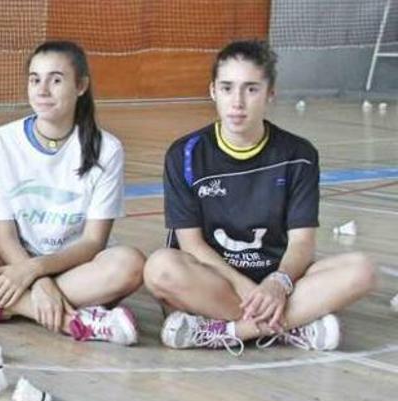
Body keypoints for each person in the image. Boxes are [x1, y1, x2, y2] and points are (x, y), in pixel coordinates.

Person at [144, 40, 376, 353]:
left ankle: (228, 330)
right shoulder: (185, 154)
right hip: (214, 279)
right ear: (213, 91)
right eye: (227, 88)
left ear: (270, 94)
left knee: (361, 270)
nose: (237, 102)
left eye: (251, 89)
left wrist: (277, 284)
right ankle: (286, 327)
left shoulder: (299, 154)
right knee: (160, 268)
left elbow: (302, 242)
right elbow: (191, 245)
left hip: (277, 277)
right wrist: (250, 289)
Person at [0, 41, 142, 345]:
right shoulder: (1, 142)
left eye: (56, 80)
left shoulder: (107, 149)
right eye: (34, 79)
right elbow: (4, 237)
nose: (42, 90)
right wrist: (37, 282)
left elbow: (94, 242)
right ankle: (72, 321)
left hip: (73, 267)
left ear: (81, 86)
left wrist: (35, 273)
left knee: (129, 264)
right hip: (14, 259)